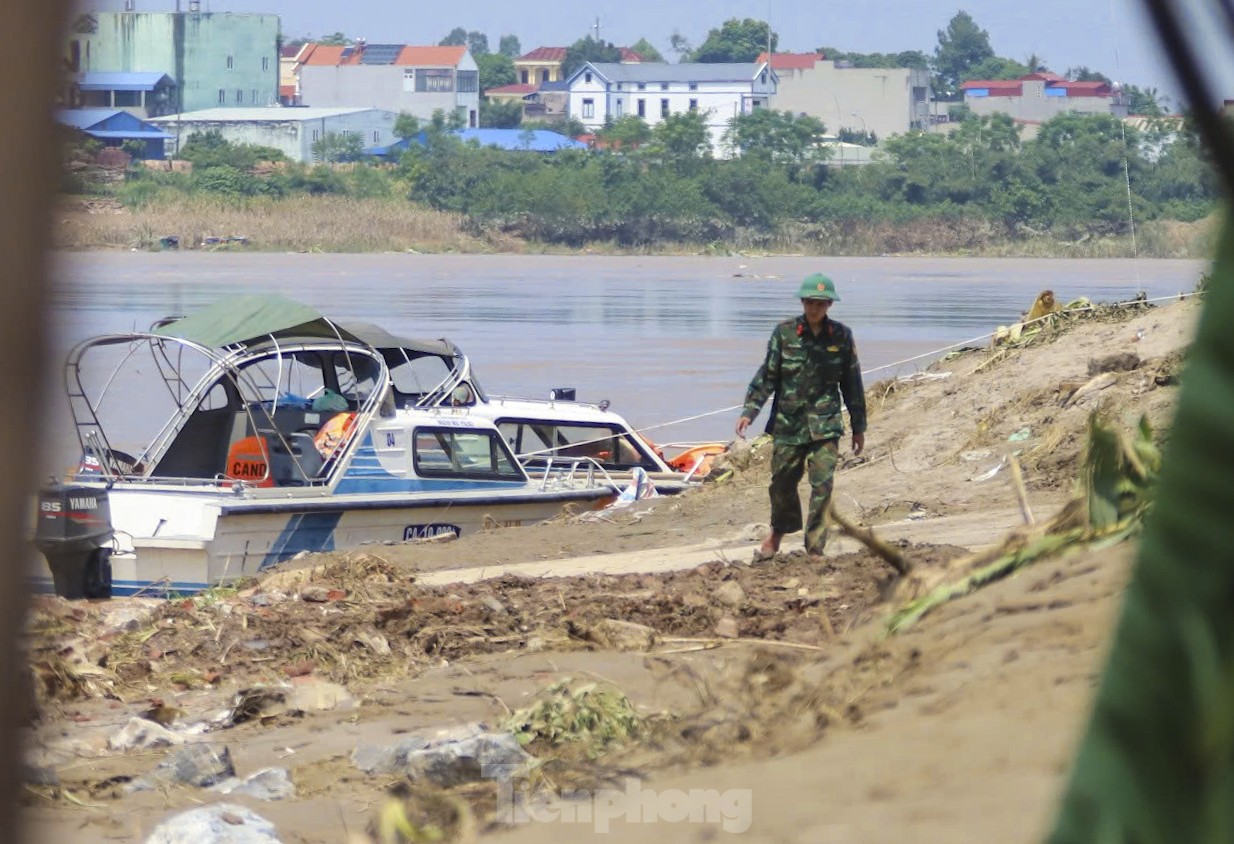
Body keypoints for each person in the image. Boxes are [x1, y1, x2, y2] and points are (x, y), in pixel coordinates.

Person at [735, 273, 867, 561]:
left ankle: (815, 546)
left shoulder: (842, 337)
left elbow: (852, 383)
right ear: (803, 302)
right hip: (788, 423)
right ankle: (779, 530)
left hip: (826, 424)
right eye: (809, 302)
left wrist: (858, 426)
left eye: (819, 303)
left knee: (822, 484)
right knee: (781, 482)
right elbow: (768, 375)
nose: (814, 308)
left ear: (829, 304)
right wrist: (750, 411)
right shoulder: (784, 334)